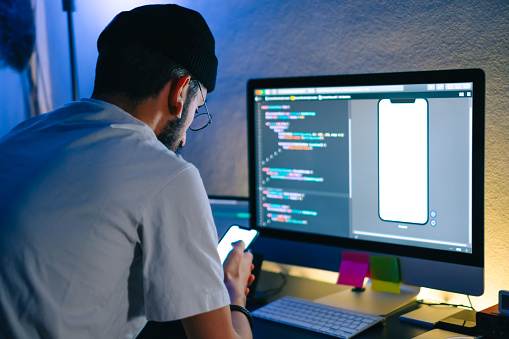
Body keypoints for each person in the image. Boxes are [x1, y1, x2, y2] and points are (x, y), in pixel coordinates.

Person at [0, 4, 254, 339]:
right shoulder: (167, 174)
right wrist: (233, 293)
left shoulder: (20, 135)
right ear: (180, 92)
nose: (189, 128)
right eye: (198, 104)